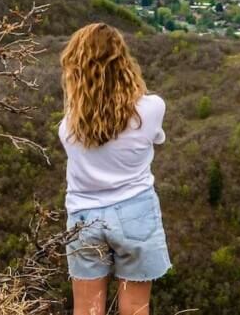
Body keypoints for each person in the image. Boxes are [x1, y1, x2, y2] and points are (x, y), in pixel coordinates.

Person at [59, 23, 171, 315]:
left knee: (87, 308)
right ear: (123, 62)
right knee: (135, 306)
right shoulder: (152, 109)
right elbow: (154, 136)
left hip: (84, 218)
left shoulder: (68, 127)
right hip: (136, 212)